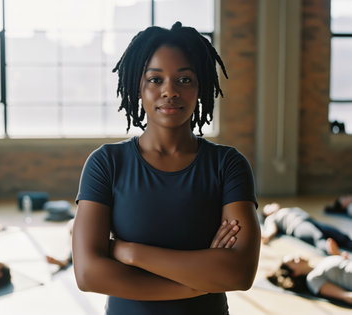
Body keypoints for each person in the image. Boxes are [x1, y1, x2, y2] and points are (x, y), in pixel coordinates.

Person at [72, 22, 261, 315]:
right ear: (138, 85)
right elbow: (88, 274)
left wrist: (129, 252)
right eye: (155, 79)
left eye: (184, 79)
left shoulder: (228, 165)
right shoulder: (106, 163)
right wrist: (195, 284)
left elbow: (239, 273)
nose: (169, 91)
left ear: (201, 87)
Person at [261, 203, 352, 255]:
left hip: (311, 221)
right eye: (268, 206)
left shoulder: (287, 209)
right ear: (266, 214)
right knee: (318, 237)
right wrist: (266, 236)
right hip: (298, 226)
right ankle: (333, 252)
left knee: (336, 234)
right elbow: (271, 229)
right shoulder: (271, 218)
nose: (271, 205)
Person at [267, 254, 352, 306]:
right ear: (295, 273)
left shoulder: (320, 264)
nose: (298, 257)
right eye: (294, 261)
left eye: (295, 256)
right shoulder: (313, 279)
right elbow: (344, 295)